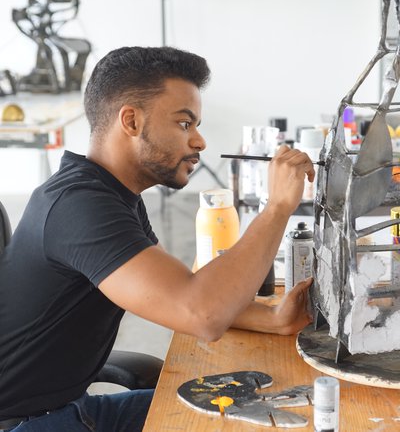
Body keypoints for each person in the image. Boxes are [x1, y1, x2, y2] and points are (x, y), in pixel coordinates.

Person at [0, 46, 314, 432]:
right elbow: (201, 313)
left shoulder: (113, 196)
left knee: (250, 415)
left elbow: (175, 293)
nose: (199, 142)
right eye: (185, 124)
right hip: (29, 425)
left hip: (73, 409)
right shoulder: (78, 206)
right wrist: (277, 207)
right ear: (131, 121)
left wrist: (272, 319)